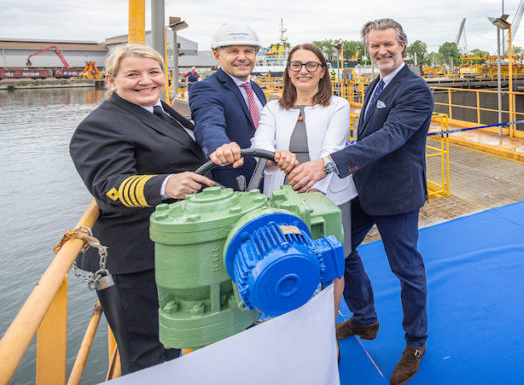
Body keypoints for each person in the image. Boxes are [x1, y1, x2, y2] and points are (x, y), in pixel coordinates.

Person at [69, 44, 217, 373]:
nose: (145, 81)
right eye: (132, 74)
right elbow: (109, 186)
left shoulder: (158, 109)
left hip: (166, 250)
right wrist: (165, 184)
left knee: (169, 341)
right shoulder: (101, 125)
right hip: (134, 260)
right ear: (111, 80)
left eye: (153, 73)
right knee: (146, 354)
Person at [323, 18, 434, 385]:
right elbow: (365, 135)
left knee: (407, 270)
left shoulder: (415, 89)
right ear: (367, 49)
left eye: (388, 44)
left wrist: (331, 163)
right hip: (363, 190)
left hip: (397, 196)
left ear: (403, 45)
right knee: (343, 248)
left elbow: (392, 135)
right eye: (375, 46)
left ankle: (415, 343)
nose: (381, 51)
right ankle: (365, 318)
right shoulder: (376, 84)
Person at [211, 43, 356, 313]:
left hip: (329, 199)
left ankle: (328, 329)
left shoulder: (338, 105)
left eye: (312, 65)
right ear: (288, 72)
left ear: (323, 71)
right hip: (281, 200)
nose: (304, 71)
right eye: (296, 65)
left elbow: (332, 150)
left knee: (333, 265)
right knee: (285, 262)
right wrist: (275, 156)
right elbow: (261, 143)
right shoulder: (273, 109)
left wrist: (314, 187)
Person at [188, 23, 266, 190]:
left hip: (265, 177)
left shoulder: (256, 89)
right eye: (233, 51)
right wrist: (221, 146)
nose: (242, 57)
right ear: (217, 56)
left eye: (248, 51)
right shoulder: (206, 88)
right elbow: (208, 123)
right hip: (234, 183)